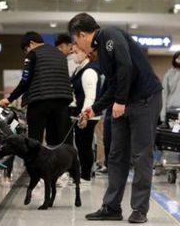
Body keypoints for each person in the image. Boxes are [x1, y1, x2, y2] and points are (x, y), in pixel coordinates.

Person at [68, 13, 162, 223]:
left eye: (75, 41)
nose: (76, 47)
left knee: (141, 155)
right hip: (124, 102)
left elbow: (126, 66)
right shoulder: (101, 51)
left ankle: (139, 209)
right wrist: (94, 109)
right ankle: (111, 207)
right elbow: (113, 84)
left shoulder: (110, 35)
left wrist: (119, 101)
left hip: (144, 99)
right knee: (116, 155)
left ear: (82, 35)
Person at [0, 31, 73, 146]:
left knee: (35, 140)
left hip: (40, 102)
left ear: (31, 43)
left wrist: (9, 99)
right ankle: (57, 163)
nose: (26, 52)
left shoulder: (33, 54)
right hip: (62, 102)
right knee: (56, 140)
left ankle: (36, 164)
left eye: (26, 49)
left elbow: (25, 81)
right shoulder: (60, 54)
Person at [69, 44, 102, 184]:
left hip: (88, 115)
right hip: (82, 113)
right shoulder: (80, 68)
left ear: (86, 53)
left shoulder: (89, 71)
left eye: (76, 52)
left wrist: (85, 116)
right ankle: (83, 174)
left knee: (85, 145)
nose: (73, 55)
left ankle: (86, 176)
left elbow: (90, 96)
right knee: (81, 144)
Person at [160, 51, 180, 125]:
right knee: (173, 135)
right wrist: (163, 116)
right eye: (178, 58)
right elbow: (164, 95)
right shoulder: (168, 75)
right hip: (171, 109)